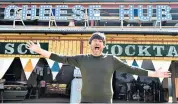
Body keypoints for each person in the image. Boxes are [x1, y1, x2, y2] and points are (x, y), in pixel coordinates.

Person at [26, 32, 171, 103]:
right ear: (90, 45)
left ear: (103, 45)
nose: (97, 42)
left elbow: (133, 69)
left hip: (105, 101)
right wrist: (40, 51)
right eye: (94, 40)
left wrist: (155, 73)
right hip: (86, 101)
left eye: (100, 41)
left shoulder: (111, 59)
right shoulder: (81, 59)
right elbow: (60, 57)